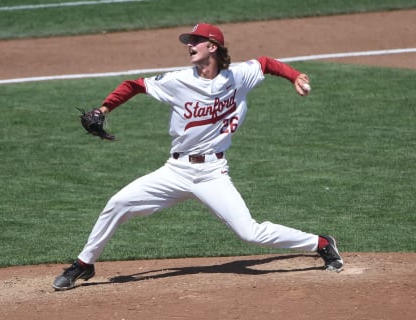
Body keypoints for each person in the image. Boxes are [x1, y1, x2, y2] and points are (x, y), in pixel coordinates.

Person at [52, 23, 343, 291]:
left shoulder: (238, 76)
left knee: (250, 233)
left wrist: (294, 76)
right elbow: (134, 85)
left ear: (212, 47)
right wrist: (103, 110)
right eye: (189, 42)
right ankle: (83, 264)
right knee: (118, 203)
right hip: (175, 170)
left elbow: (266, 63)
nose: (189, 46)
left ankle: (320, 243)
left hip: (213, 172)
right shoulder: (177, 80)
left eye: (196, 41)